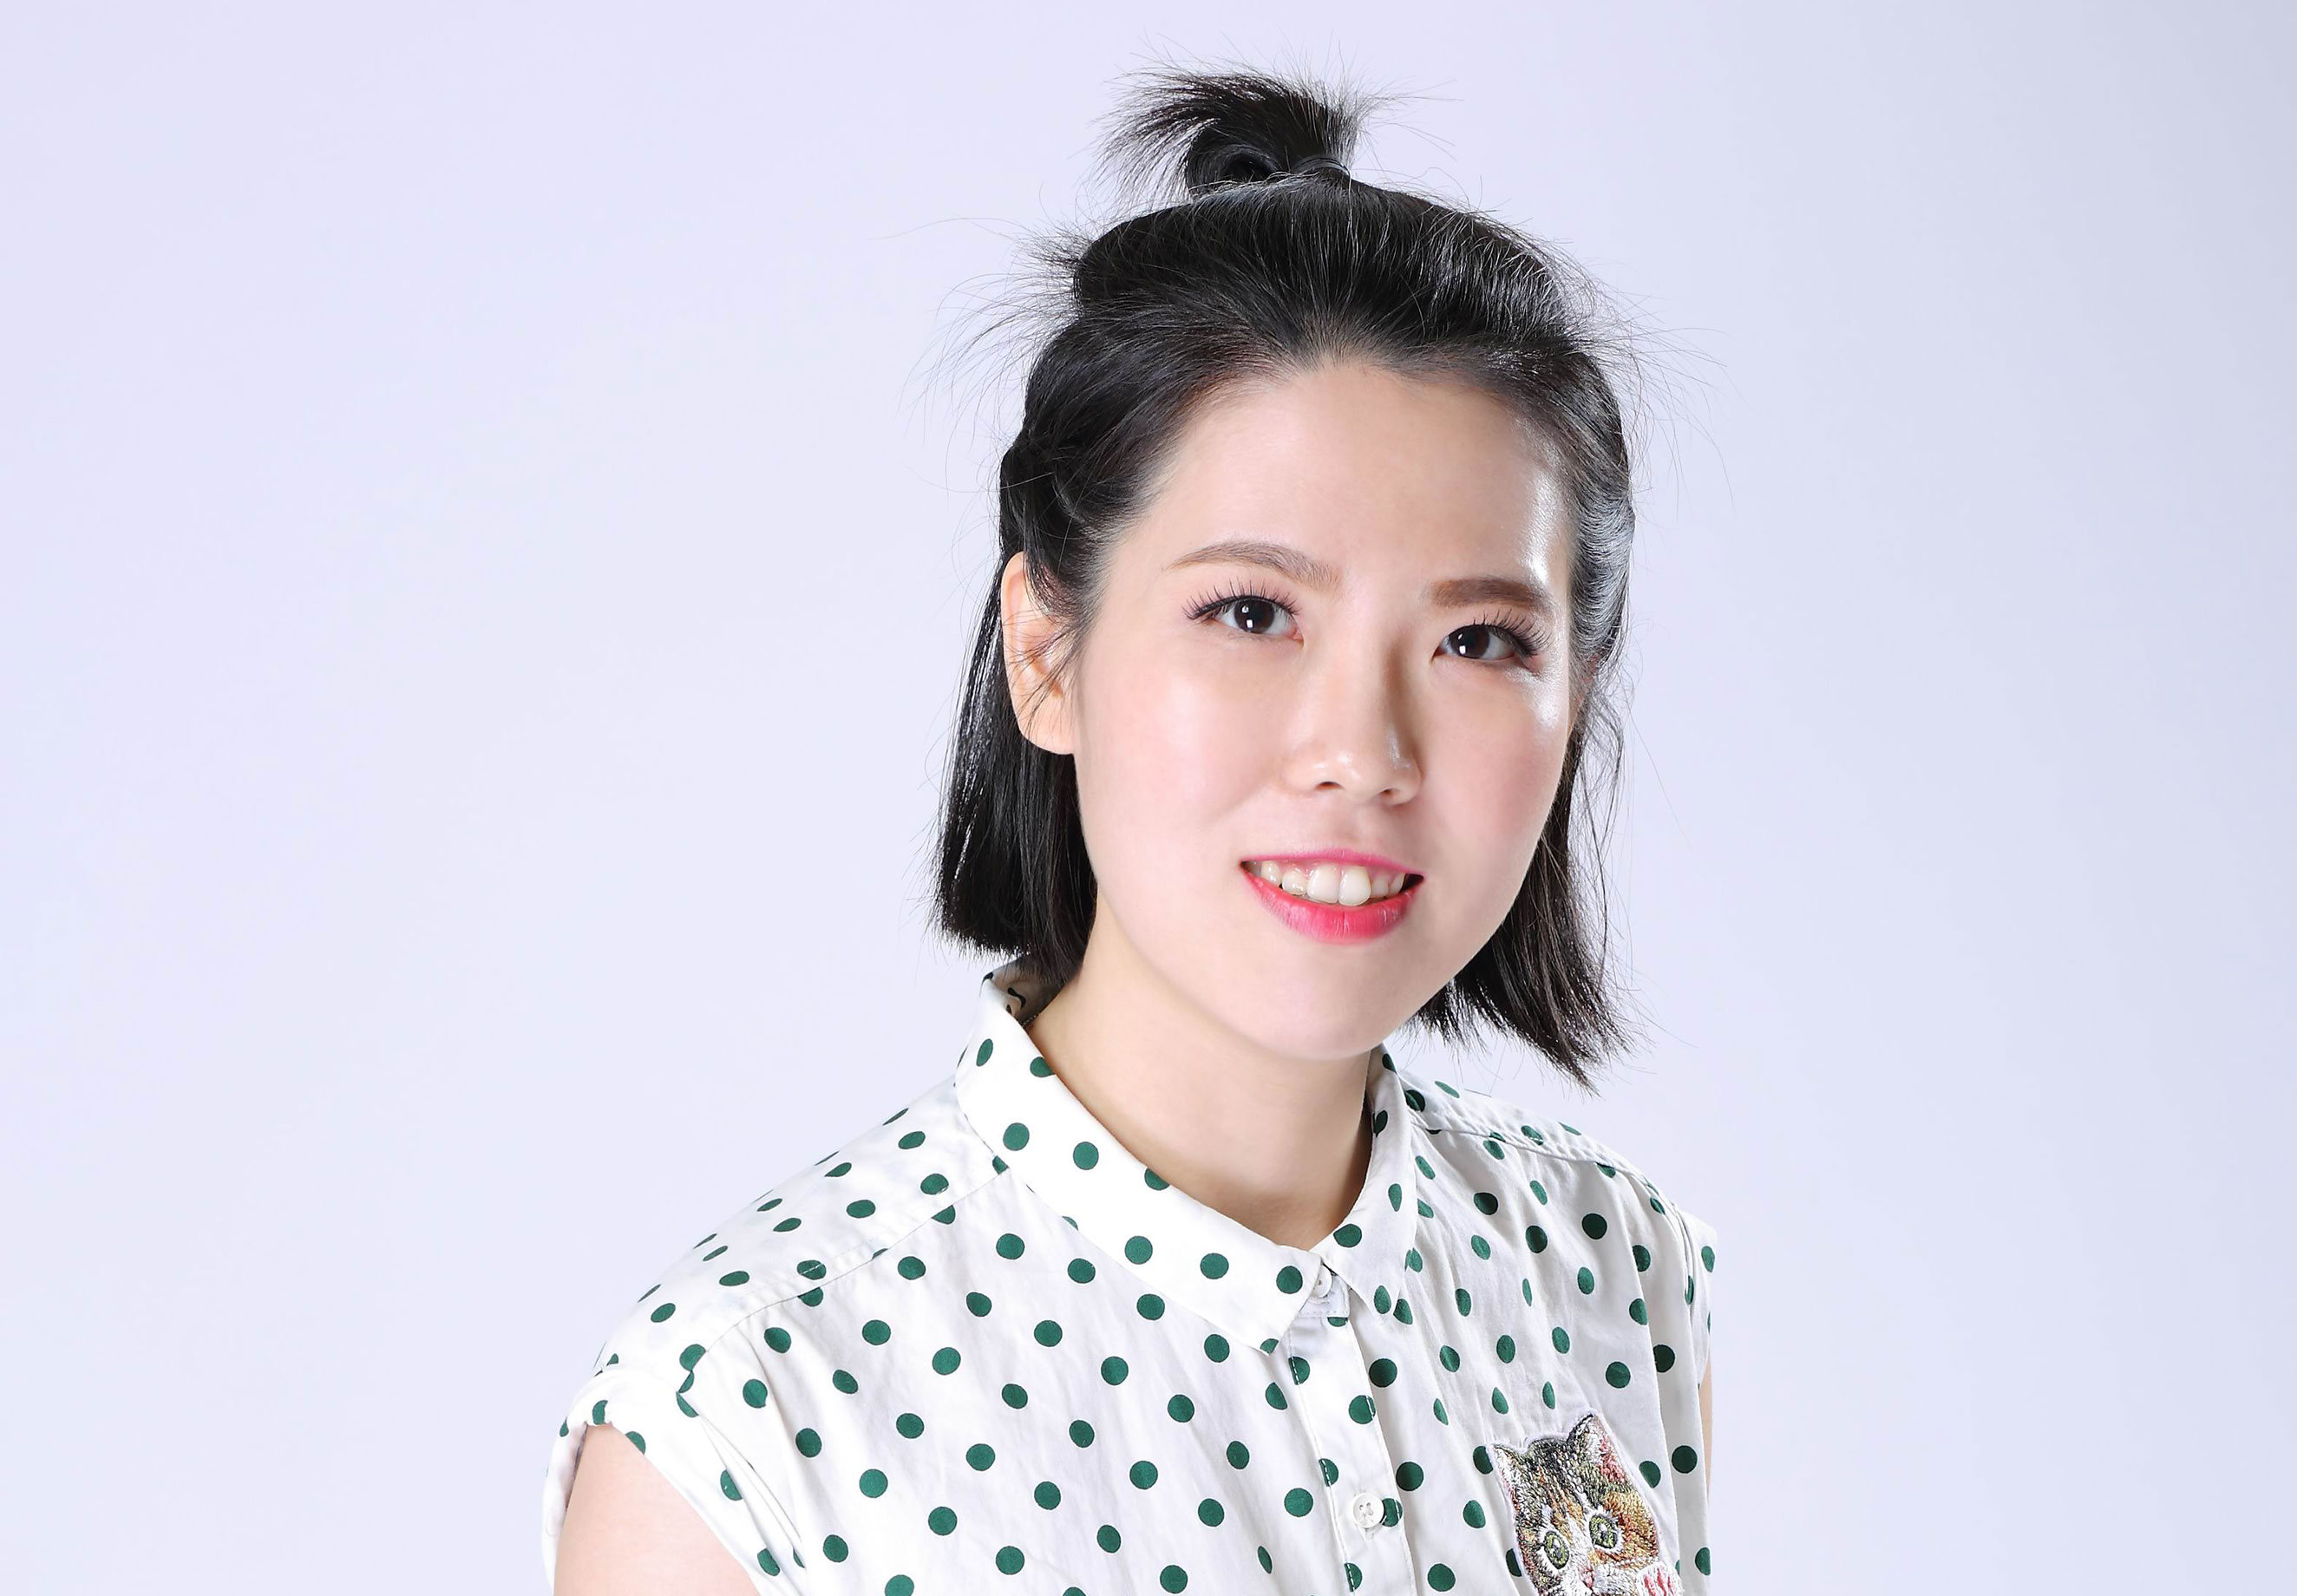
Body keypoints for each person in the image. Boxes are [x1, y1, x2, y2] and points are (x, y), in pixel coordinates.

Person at [545, 64, 1718, 1596]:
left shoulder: (1616, 1268)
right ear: (1048, 651)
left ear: (1579, 692)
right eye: (1253, 613)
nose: (1360, 754)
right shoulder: (756, 1421)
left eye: (1478, 641)